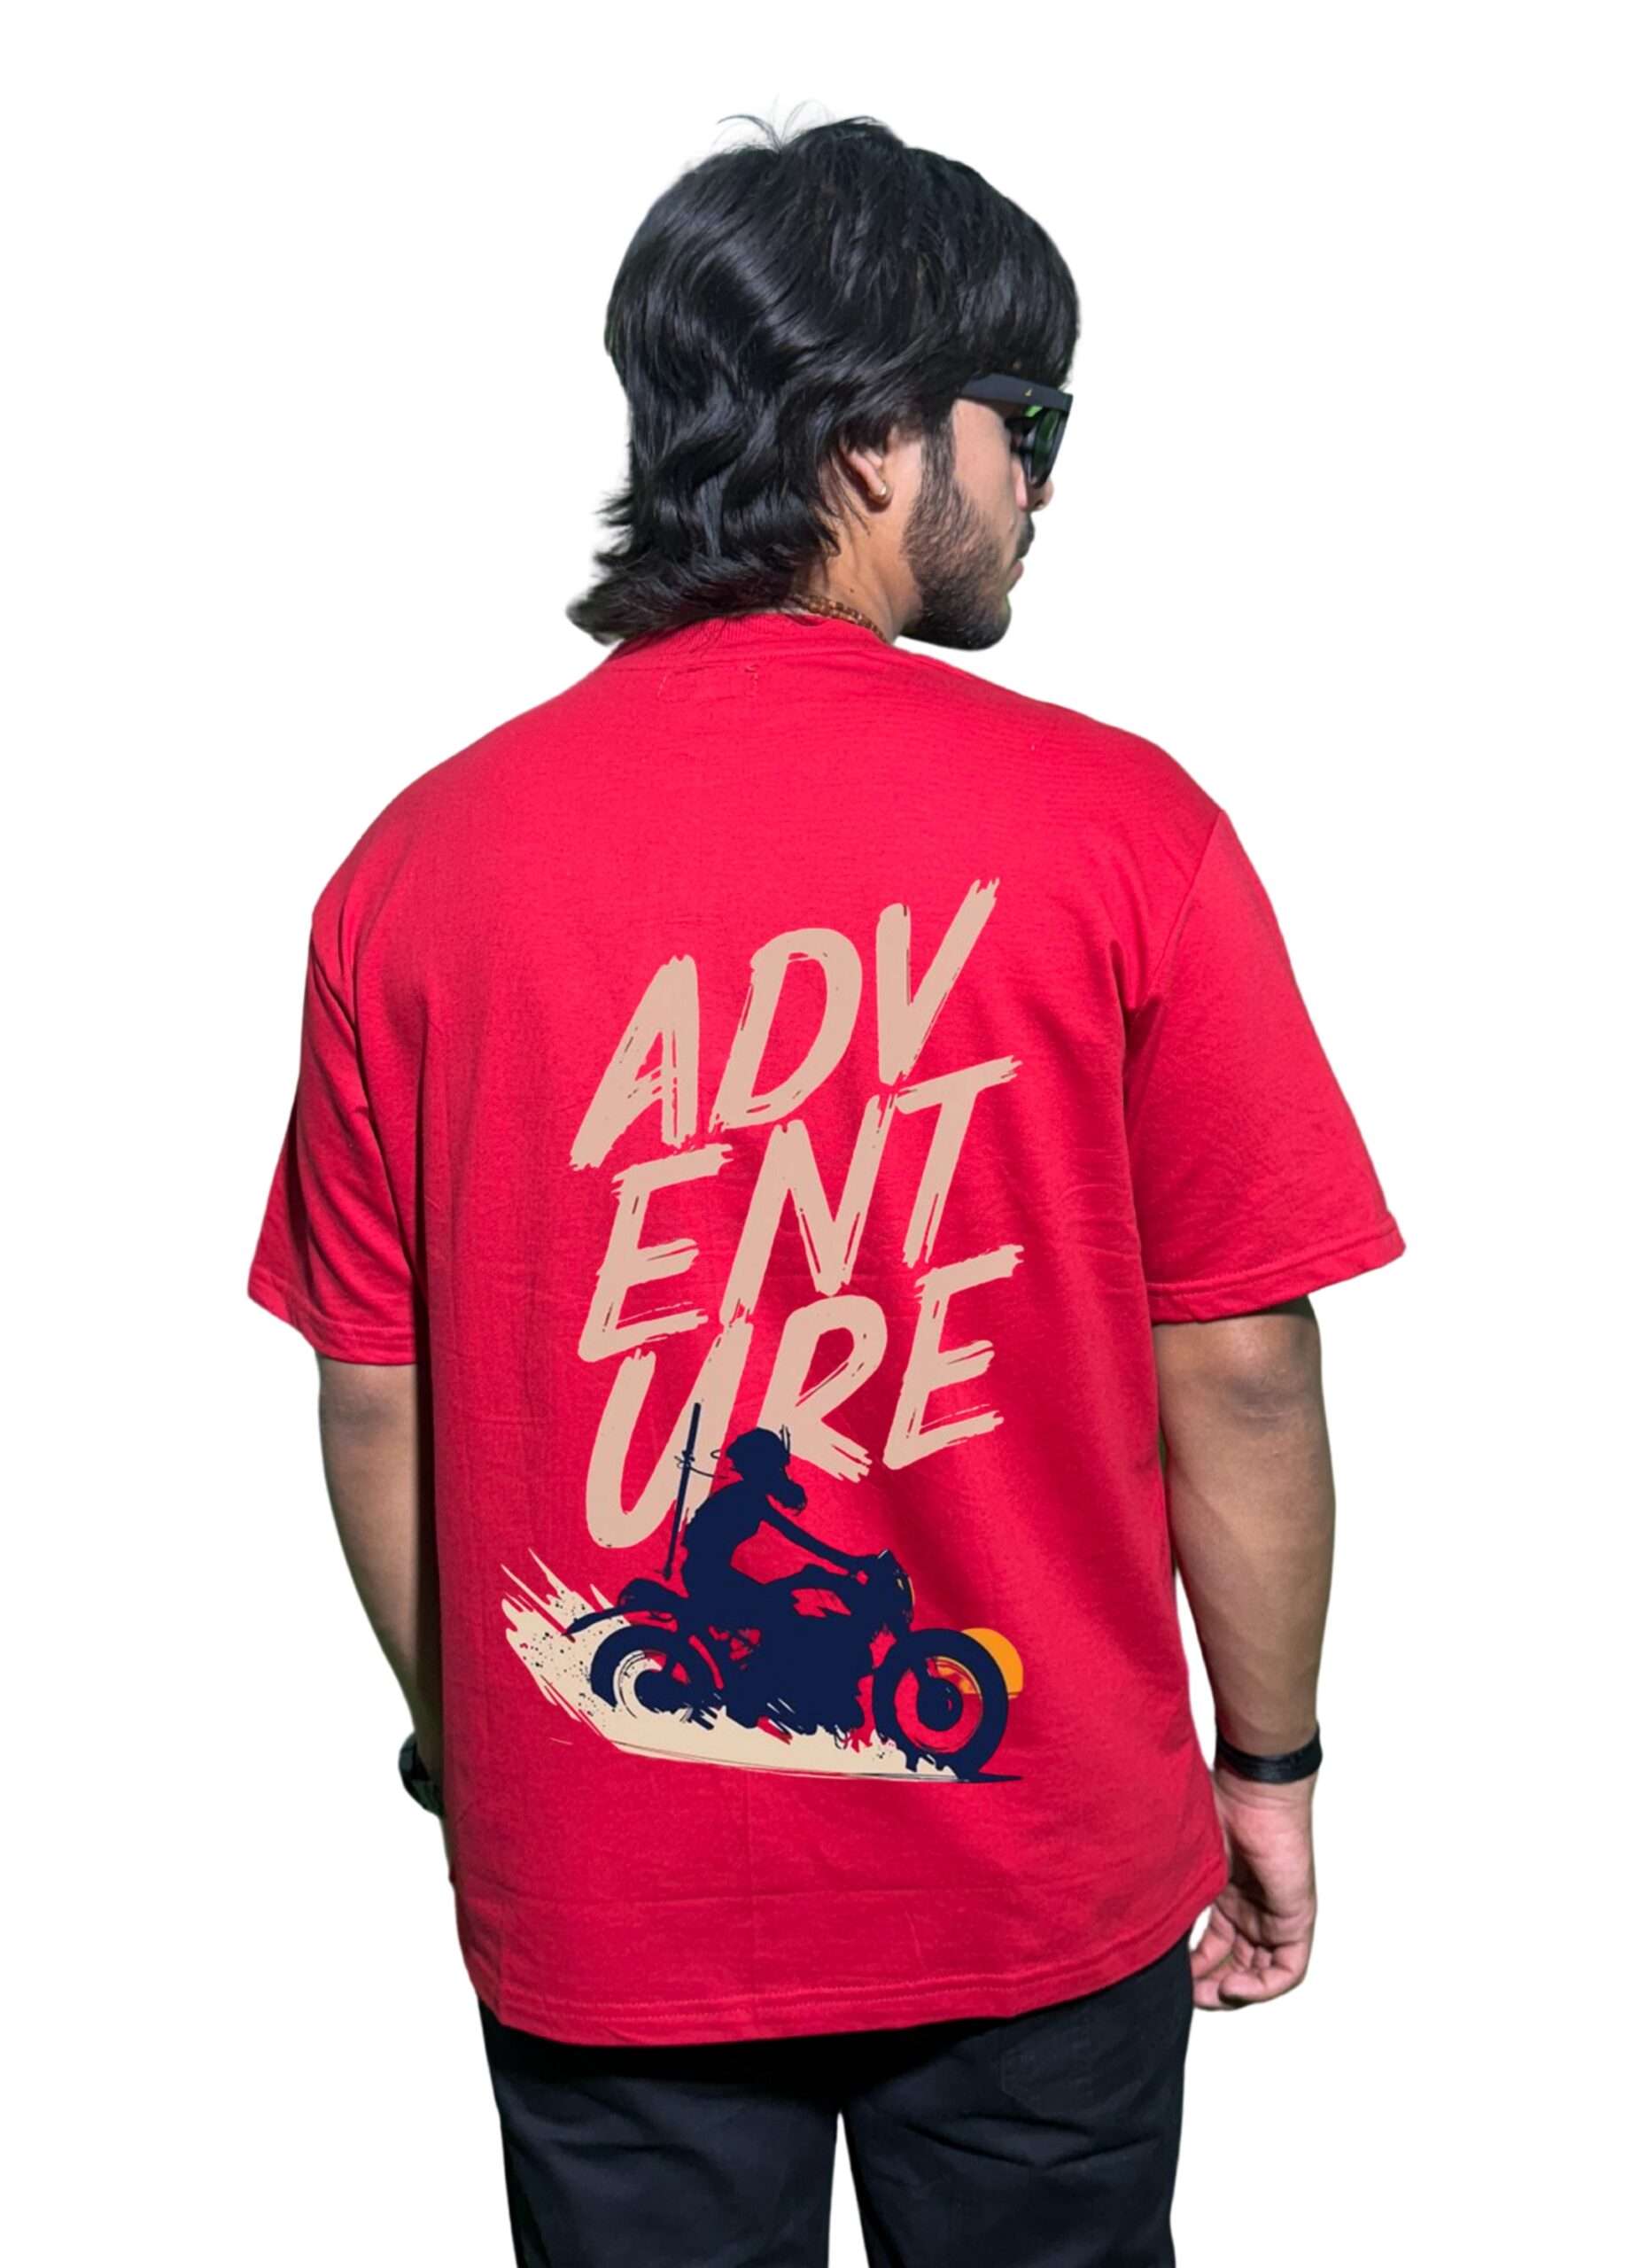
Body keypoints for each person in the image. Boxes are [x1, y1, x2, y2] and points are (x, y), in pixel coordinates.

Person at [247, 111, 1403, 2268]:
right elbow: (1240, 1368)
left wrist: (473, 1752)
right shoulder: (1124, 834)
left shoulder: (415, 872)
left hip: (608, 1887)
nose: (1043, 480)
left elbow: (376, 1397)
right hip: (1043, 1868)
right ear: (877, 438)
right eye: (1027, 417)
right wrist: (1274, 1759)